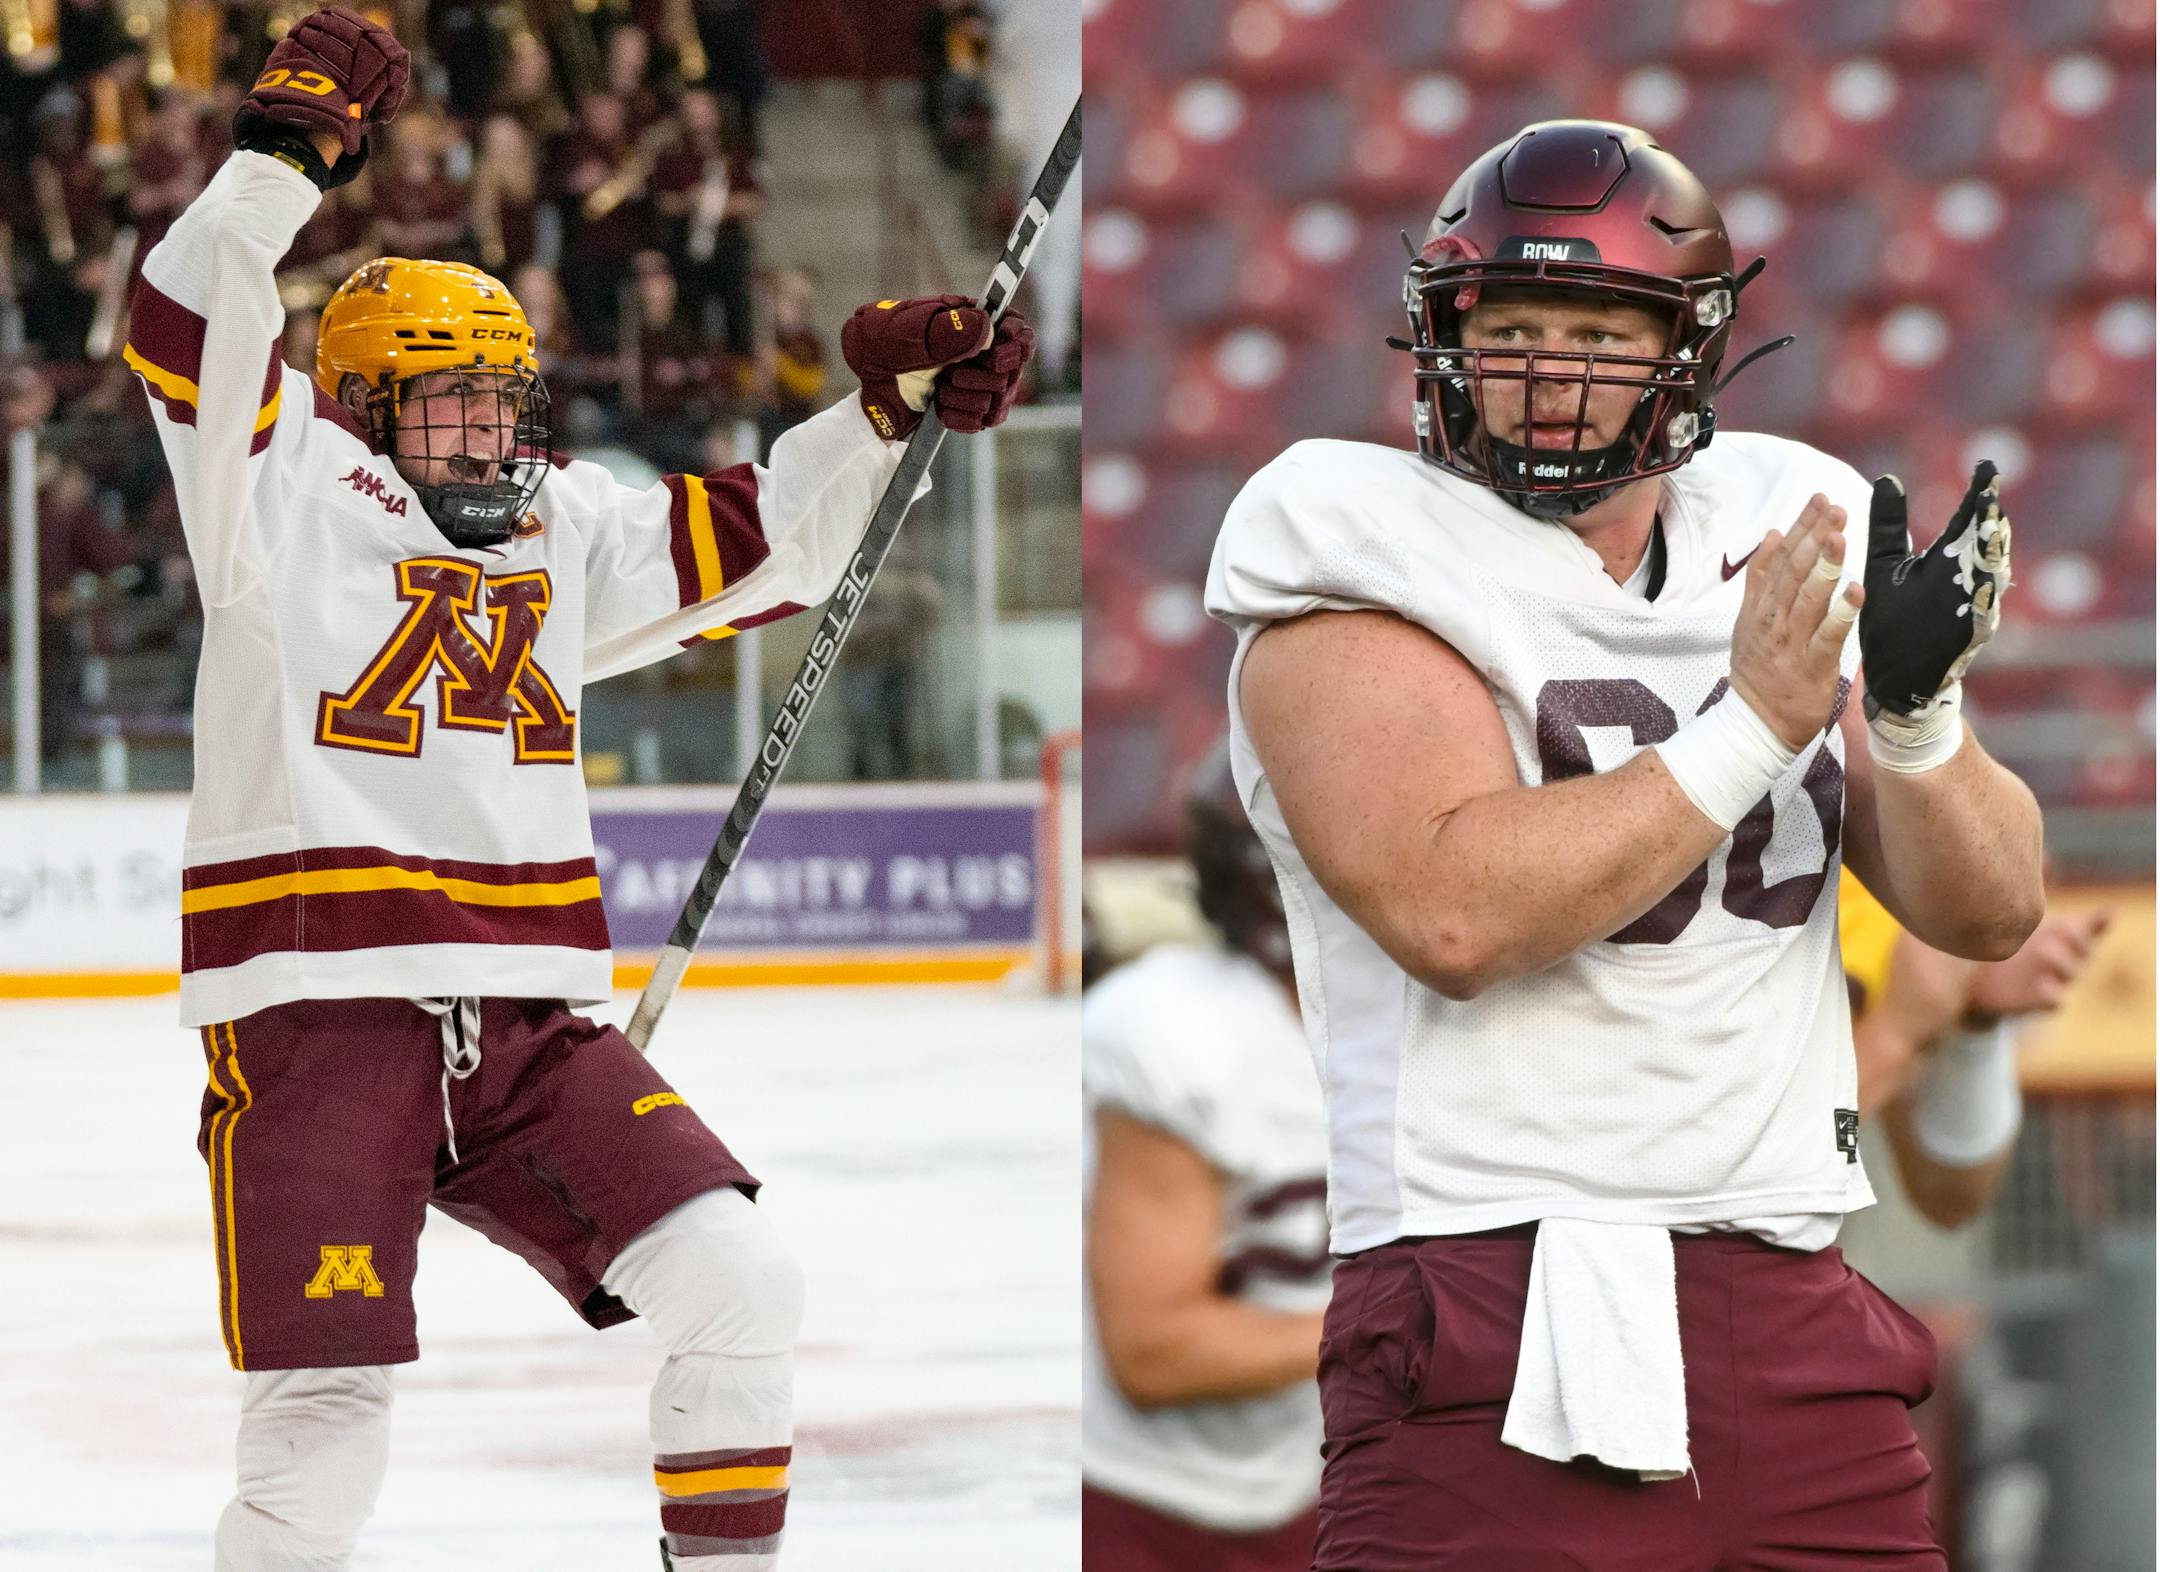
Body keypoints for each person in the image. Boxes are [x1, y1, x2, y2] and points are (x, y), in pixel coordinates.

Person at [124, 10, 1032, 1569]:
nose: (488, 432)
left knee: (745, 1284)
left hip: (533, 1024)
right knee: (325, 1410)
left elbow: (761, 546)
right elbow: (180, 323)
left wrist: (882, 416)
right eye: (449, 401)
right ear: (361, 403)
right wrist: (281, 162)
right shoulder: (274, 491)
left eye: (503, 401)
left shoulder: (554, 522)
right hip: (323, 1017)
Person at [1205, 119, 2045, 1569]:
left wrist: (1911, 719)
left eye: (1593, 330)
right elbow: (1453, 914)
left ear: (1689, 349)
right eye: (1507, 324)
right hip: (1491, 1290)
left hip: (1794, 1290)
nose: (1541, 372)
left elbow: (1990, 910)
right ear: (1440, 334)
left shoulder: (1788, 519)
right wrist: (1753, 728)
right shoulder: (1345, 546)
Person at [1082, 744, 1330, 1571]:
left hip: (1317, 1482)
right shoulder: (1182, 1031)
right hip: (1141, 1504)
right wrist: (1400, 1329)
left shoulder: (1433, 1016)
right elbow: (1153, 1351)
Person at [1842, 869, 2111, 1229]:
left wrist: (1975, 1025)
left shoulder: (1886, 874)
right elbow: (1758, 1159)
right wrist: (1895, 1036)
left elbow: (1950, 1198)